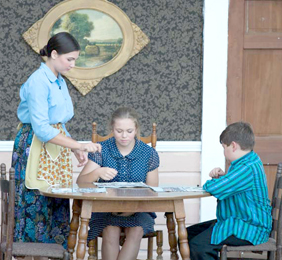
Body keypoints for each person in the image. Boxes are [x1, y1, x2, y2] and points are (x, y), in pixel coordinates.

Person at [12, 32, 101, 249]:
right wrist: (79, 145)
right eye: (69, 59)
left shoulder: (59, 81)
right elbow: (42, 128)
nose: (72, 64)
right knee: (37, 206)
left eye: (75, 60)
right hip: (35, 146)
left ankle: (56, 253)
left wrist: (73, 148)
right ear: (53, 54)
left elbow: (58, 123)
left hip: (55, 148)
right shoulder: (38, 81)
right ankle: (33, 254)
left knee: (57, 205)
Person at [77, 107, 159, 260]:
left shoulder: (148, 153)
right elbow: (80, 182)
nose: (124, 136)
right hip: (106, 209)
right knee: (110, 230)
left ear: (136, 130)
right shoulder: (102, 150)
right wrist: (97, 173)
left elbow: (152, 192)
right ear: (112, 129)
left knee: (136, 230)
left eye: (129, 131)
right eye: (119, 131)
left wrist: (132, 208)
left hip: (139, 209)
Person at [186, 122, 272, 260]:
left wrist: (213, 180)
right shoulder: (244, 163)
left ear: (233, 145)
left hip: (250, 226)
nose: (223, 151)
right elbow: (231, 185)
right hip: (240, 219)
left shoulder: (247, 168)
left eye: (223, 147)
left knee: (198, 245)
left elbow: (214, 188)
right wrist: (222, 178)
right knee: (188, 234)